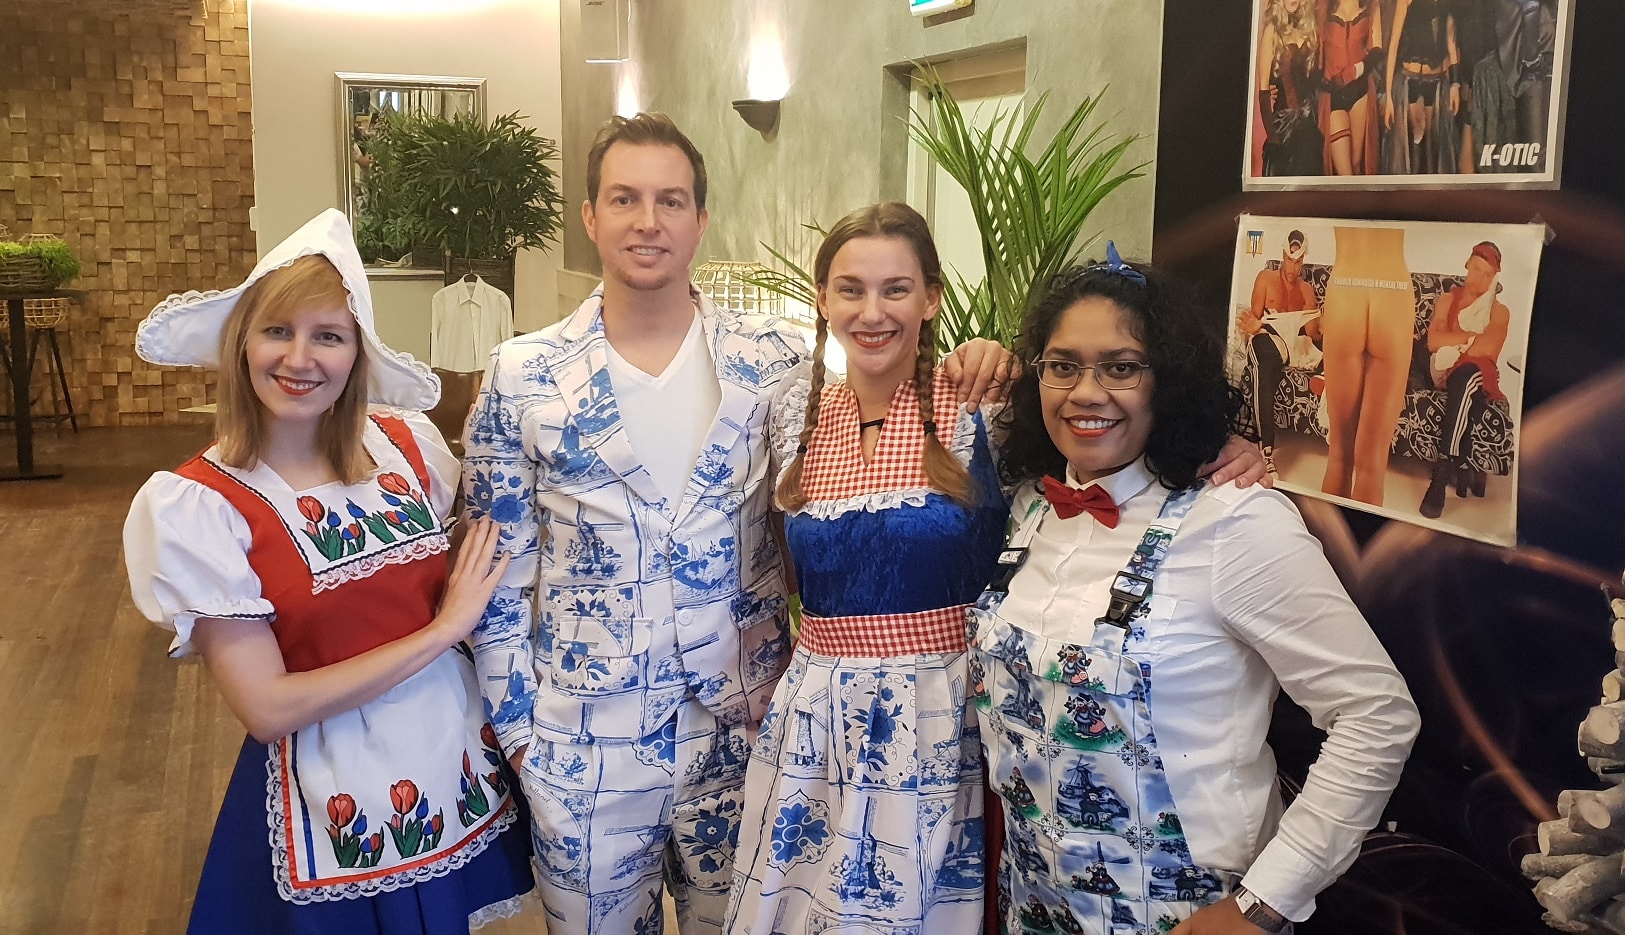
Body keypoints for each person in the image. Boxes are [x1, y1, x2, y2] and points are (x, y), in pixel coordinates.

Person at [459, 115, 1010, 935]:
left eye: (670, 200)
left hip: (749, 736)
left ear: (699, 220)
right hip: (585, 748)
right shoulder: (521, 373)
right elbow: (492, 571)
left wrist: (987, 353)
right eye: (625, 199)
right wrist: (522, 739)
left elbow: (893, 393)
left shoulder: (775, 363)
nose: (648, 220)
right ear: (590, 217)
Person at [974, 252, 1418, 934]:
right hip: (1034, 902)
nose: (1085, 392)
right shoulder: (1026, 504)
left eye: (1120, 367)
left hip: (1189, 911)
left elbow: (1376, 715)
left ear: (1168, 380)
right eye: (1063, 365)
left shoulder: (1234, 520)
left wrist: (1262, 904)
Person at [122, 209, 534, 934]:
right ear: (242, 342)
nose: (299, 357)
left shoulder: (407, 446)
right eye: (277, 330)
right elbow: (268, 707)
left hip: (449, 768)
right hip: (331, 803)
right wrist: (443, 632)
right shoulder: (202, 505)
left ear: (356, 354)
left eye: (329, 336)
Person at [722, 203, 1009, 932]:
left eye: (896, 289)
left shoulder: (984, 407)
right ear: (822, 299)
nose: (872, 311)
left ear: (931, 297)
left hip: (941, 710)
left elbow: (1118, 444)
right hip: (815, 713)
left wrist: (1235, 455)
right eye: (850, 289)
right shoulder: (792, 411)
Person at [1319, 225, 1416, 506]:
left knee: (1339, 458)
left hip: (1345, 289)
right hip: (1393, 292)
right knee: (1372, 467)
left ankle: (1323, 536)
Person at [1419, 241, 1510, 519]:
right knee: (1421, 353)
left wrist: (1454, 342)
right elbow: (1433, 342)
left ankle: (1441, 473)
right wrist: (1472, 338)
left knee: (1467, 375)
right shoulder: (1447, 300)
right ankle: (1459, 457)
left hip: (1475, 373)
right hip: (1442, 369)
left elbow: (1489, 349)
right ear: (1468, 265)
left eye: (1487, 274)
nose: (1480, 278)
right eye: (1477, 269)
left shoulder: (1499, 311)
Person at [1237, 229, 1322, 472]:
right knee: (1265, 361)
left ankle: (1325, 374)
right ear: (1283, 254)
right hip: (1266, 336)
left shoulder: (1306, 290)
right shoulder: (1266, 278)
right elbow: (1254, 318)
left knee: (1332, 348)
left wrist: (1323, 325)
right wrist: (1253, 326)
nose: (1293, 267)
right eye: (1289, 259)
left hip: (1293, 345)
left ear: (1303, 259)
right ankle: (1266, 449)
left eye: (1298, 261)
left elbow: (1312, 334)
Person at [1385, 0, 1463, 175]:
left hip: (1437, 82)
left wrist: (1455, 84)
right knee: (1413, 144)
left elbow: (1451, 42)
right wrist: (1388, 95)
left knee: (1432, 147)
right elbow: (1394, 44)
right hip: (1410, 80)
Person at [1255, 0, 1323, 177]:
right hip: (1283, 128)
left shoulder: (1307, 29)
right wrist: (1272, 138)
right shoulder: (1272, 31)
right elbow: (1263, 91)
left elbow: (1314, 81)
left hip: (1308, 122)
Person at [1320, 0, 1382, 175]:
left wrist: (1357, 69)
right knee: (1344, 172)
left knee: (1356, 164)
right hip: (1333, 93)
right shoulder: (1323, 7)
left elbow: (1377, 49)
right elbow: (1312, 50)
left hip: (1360, 91)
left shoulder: (1372, 6)